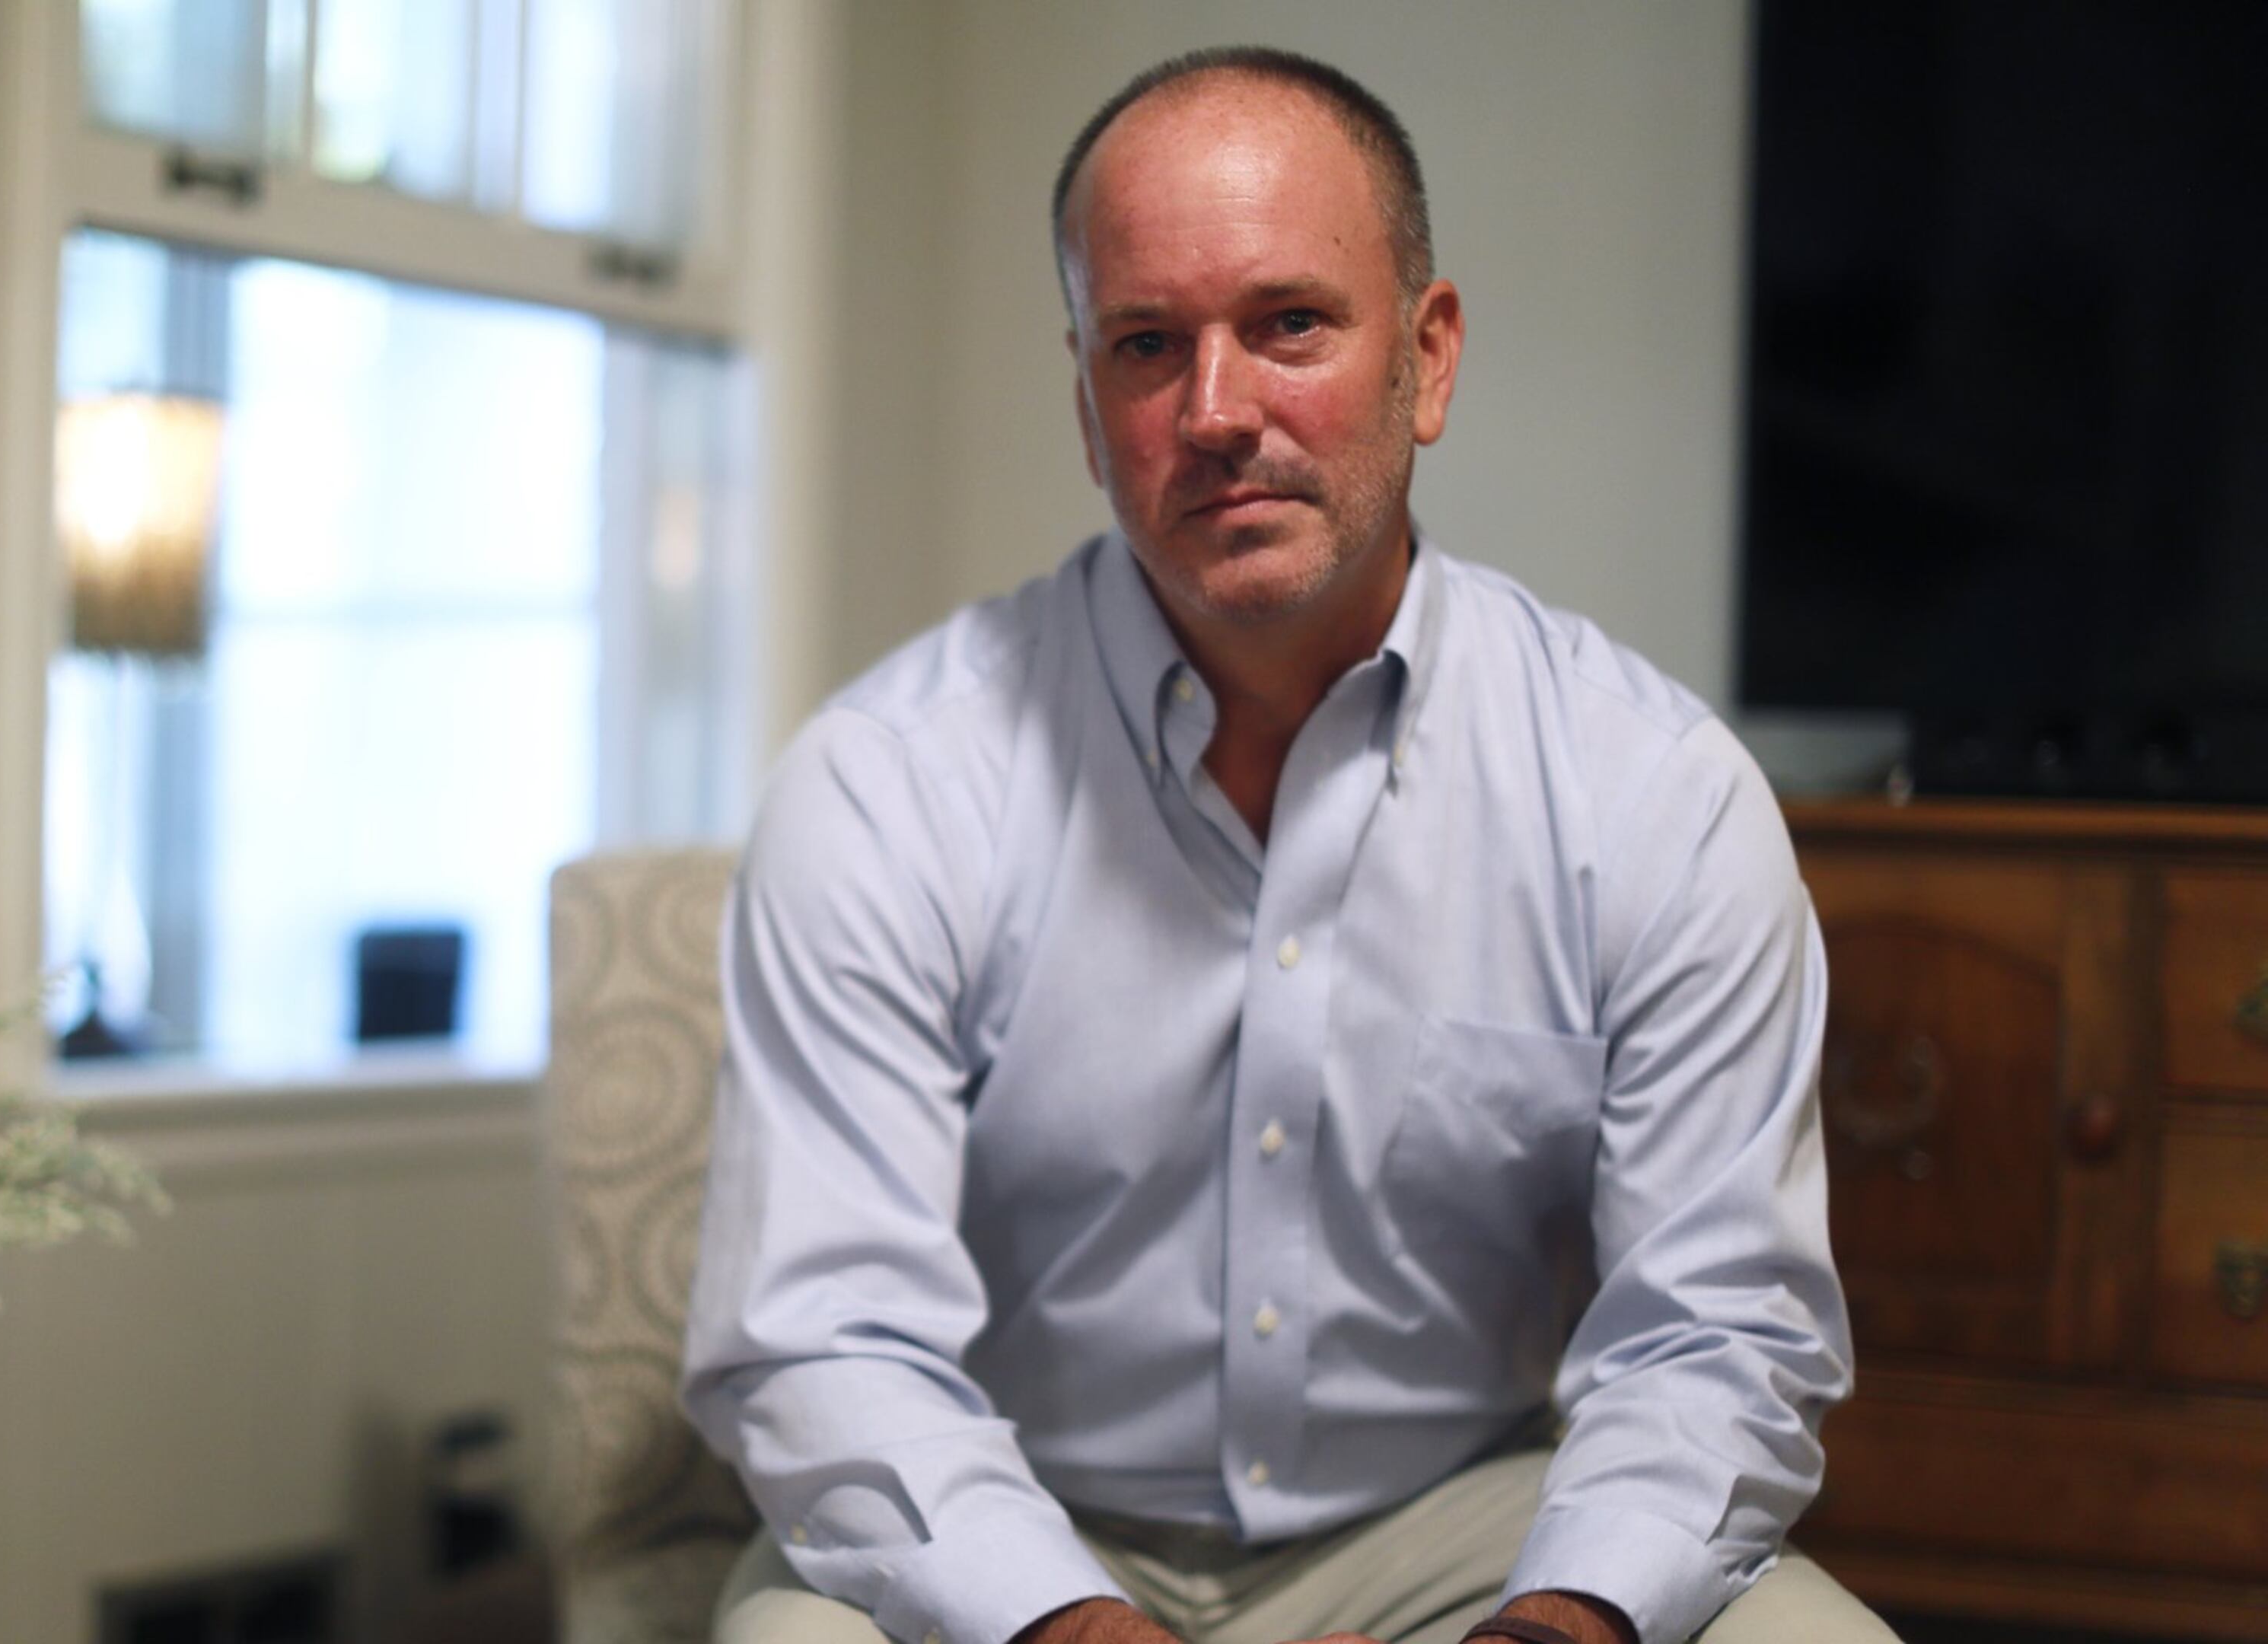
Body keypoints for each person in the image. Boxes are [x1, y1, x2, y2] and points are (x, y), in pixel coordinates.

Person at [680, 44, 1896, 1644]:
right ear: (1085, 401)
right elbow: (824, 1334)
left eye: (1290, 325)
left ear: (1432, 357)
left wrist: (1554, 1632)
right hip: (1018, 1517)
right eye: (1144, 343)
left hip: (1475, 1521)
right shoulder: (888, 786)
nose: (1215, 409)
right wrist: (1074, 1627)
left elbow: (1717, 1335)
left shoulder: (1653, 793)